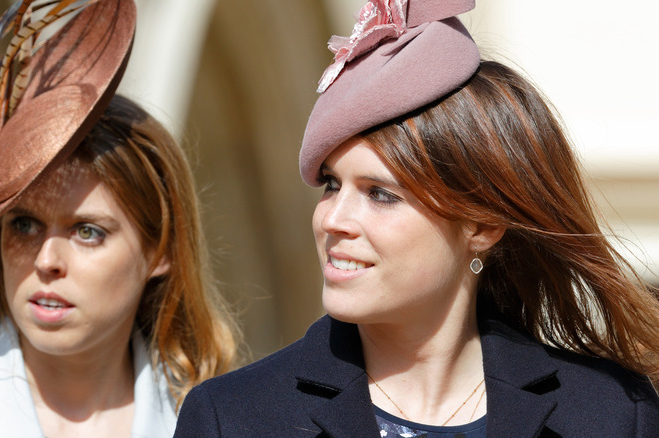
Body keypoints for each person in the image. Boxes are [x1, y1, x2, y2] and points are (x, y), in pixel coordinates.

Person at [174, 0, 659, 436]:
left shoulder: (612, 414)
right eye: (331, 185)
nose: (333, 221)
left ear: (482, 226)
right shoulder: (232, 418)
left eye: (380, 194)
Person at [0, 0, 238, 436]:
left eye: (87, 232)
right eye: (24, 225)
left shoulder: (223, 422)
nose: (47, 259)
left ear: (159, 248)